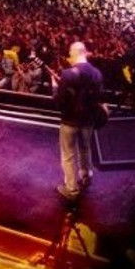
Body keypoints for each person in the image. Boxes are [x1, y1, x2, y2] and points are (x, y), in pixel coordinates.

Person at [53, 41, 105, 201]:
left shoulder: (67, 74)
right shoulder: (97, 73)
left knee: (68, 155)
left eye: (70, 53)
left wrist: (55, 87)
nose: (69, 56)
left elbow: (59, 102)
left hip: (70, 120)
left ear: (75, 53)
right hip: (88, 120)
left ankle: (71, 189)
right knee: (85, 148)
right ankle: (86, 176)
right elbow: (98, 98)